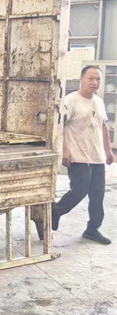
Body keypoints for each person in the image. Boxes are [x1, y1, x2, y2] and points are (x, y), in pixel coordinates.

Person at [52, 65, 115, 244]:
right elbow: (61, 127)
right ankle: (56, 211)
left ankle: (92, 229)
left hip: (97, 156)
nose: (94, 82)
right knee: (79, 190)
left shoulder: (99, 101)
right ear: (81, 79)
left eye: (98, 80)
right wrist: (65, 151)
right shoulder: (70, 100)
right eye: (91, 78)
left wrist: (108, 150)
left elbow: (103, 126)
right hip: (78, 155)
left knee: (97, 195)